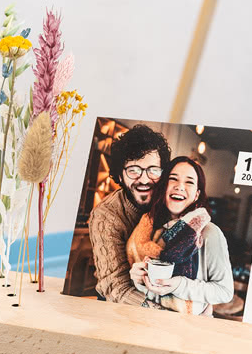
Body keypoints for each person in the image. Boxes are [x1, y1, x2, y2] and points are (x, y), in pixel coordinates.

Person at [127, 156, 234, 315]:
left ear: (197, 194)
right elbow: (152, 290)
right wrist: (138, 279)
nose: (179, 186)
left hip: (187, 331)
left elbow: (224, 291)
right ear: (164, 188)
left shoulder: (209, 233)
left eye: (189, 182)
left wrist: (179, 285)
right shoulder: (152, 230)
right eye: (173, 179)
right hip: (148, 321)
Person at [88, 124, 171, 305]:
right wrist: (160, 314)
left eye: (153, 170)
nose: (143, 179)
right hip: (121, 302)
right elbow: (116, 287)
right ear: (119, 174)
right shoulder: (105, 215)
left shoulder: (171, 206)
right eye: (133, 170)